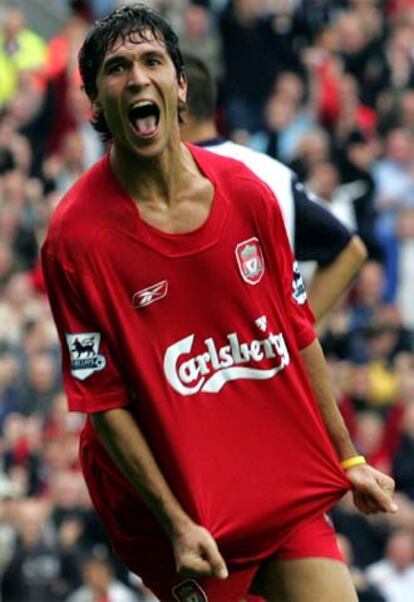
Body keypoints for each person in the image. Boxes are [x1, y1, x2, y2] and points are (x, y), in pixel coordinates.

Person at [42, 5, 397, 602]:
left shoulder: (248, 194)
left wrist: (348, 456)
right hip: (177, 508)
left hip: (272, 468)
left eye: (153, 61)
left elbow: (297, 330)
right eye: (117, 68)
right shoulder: (75, 241)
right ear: (96, 103)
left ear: (180, 85)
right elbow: (103, 403)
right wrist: (177, 521)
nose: (137, 78)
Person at [180, 54, 367, 323]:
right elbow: (350, 250)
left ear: (177, 106)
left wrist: (299, 333)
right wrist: (298, 331)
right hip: (263, 355)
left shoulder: (165, 180)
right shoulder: (271, 172)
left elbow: (350, 250)